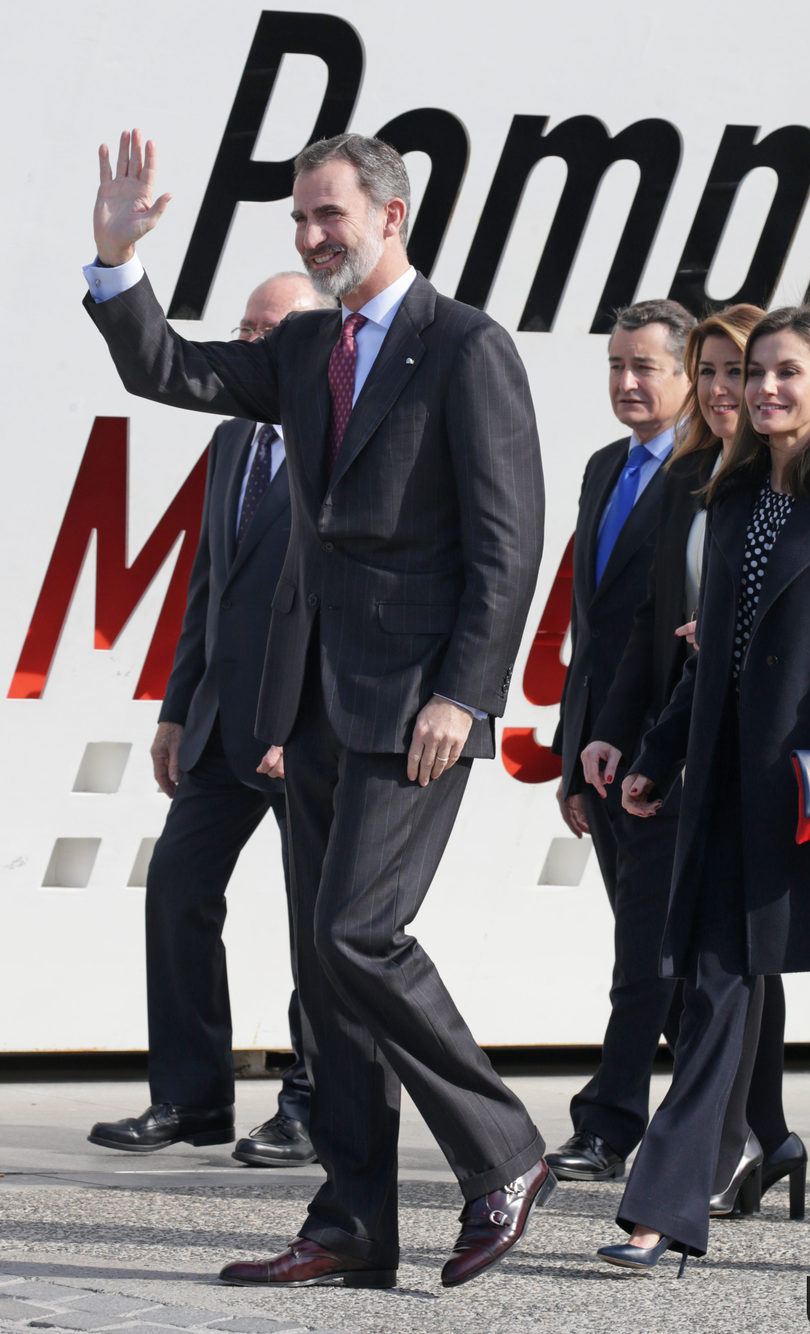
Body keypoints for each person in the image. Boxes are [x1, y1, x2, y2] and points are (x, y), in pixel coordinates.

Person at [85, 128, 550, 1291]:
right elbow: (169, 371)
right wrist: (115, 259)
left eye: (327, 216)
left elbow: (508, 541)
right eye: (298, 220)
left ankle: (504, 1150)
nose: (309, 236)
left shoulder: (466, 347)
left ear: (391, 216)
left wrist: (465, 689)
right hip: (311, 710)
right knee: (323, 963)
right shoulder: (302, 346)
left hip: (414, 709)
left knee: (355, 934)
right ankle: (351, 1220)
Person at [596, 305, 810, 1277]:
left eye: (787, 373)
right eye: (753, 374)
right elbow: (716, 657)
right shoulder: (734, 491)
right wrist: (656, 756)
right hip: (730, 790)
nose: (763, 389)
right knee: (709, 999)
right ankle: (657, 1213)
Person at [88, 272, 327, 1169]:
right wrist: (175, 711)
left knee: (320, 922)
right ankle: (190, 1098)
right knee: (179, 890)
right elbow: (208, 585)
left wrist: (293, 717)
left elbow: (339, 601)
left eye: (271, 331)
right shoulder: (233, 439)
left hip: (300, 730)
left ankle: (310, 1102)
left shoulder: (336, 438)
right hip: (220, 726)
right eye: (246, 328)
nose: (252, 344)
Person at [580, 306, 805, 1219]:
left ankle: (705, 1142)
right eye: (712, 373)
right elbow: (635, 626)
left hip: (758, 748)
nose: (724, 390)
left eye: (735, 372)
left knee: (728, 958)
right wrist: (613, 734)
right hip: (677, 742)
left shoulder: (799, 483)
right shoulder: (684, 481)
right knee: (711, 959)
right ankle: (759, 1136)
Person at [547, 298, 694, 1183]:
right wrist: (574, 755)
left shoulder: (710, 473)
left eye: (646, 367)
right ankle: (758, 1126)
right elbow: (593, 629)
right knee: (659, 952)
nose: (628, 383)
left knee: (646, 952)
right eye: (616, 366)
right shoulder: (606, 467)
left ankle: (609, 1123)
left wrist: (654, 749)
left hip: (670, 754)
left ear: (689, 375)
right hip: (603, 755)